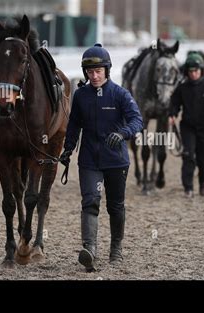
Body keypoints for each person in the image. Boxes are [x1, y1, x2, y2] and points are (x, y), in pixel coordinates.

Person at [59, 43, 143, 272]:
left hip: (116, 161)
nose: (94, 76)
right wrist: (67, 149)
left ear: (107, 70)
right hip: (89, 160)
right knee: (90, 201)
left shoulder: (120, 94)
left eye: (98, 71)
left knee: (115, 206)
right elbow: (74, 125)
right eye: (90, 72)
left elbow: (138, 121)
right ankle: (90, 249)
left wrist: (123, 133)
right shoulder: (81, 95)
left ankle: (116, 248)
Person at [168, 52, 204, 198]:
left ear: (201, 71)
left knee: (203, 159)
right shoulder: (182, 87)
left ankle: (202, 181)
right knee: (188, 156)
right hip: (188, 127)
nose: (193, 74)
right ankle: (188, 188)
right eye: (190, 71)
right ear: (187, 72)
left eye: (196, 71)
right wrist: (172, 114)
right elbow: (174, 103)